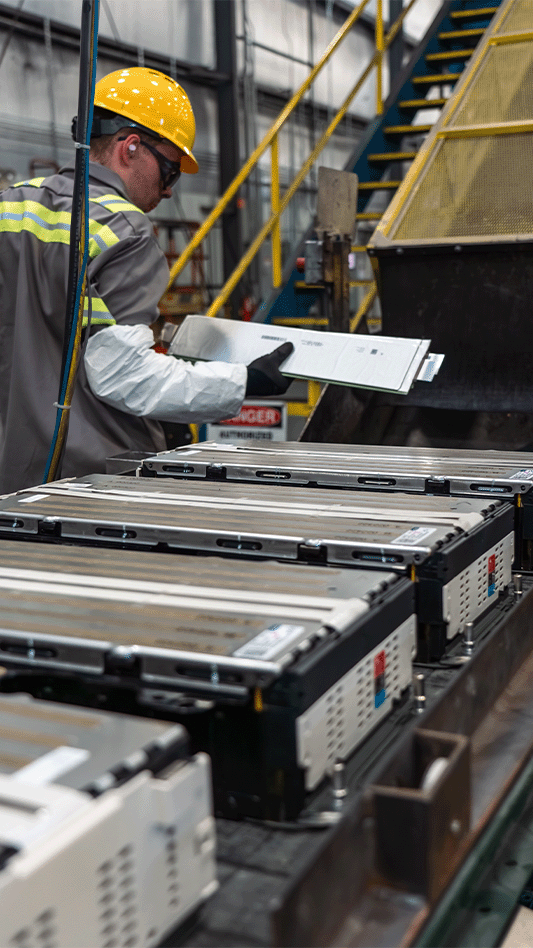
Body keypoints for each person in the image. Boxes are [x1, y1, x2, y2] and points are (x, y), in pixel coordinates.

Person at [0, 66, 292, 494]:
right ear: (131, 147)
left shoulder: (10, 206)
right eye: (170, 170)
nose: (169, 190)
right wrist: (244, 383)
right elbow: (123, 376)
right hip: (88, 481)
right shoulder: (122, 229)